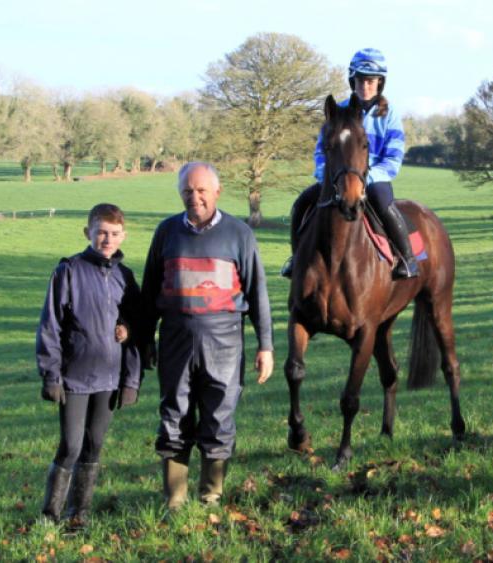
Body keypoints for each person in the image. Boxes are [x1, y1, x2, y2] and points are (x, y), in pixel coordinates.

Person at [141, 162, 274, 510]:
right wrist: (144, 339)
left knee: (218, 417)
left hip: (224, 343)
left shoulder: (239, 233)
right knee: (174, 415)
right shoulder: (166, 232)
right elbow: (150, 289)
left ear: (216, 192)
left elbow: (257, 292)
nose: (194, 197)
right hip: (174, 340)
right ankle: (175, 499)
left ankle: (210, 497)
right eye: (188, 191)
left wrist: (266, 345)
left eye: (201, 190)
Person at [36, 203, 142, 525]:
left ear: (123, 235)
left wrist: (131, 380)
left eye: (113, 233)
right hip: (75, 378)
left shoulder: (125, 277)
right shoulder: (68, 270)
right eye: (100, 233)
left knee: (94, 446)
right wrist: (51, 375)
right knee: (70, 445)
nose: (107, 239)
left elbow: (137, 327)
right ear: (88, 233)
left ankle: (78, 514)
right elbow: (50, 325)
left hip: (109, 380)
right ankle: (49, 515)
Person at [281, 47, 416, 280]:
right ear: (352, 80)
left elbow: (394, 157)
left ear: (380, 83)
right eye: (360, 80)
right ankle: (297, 260)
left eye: (371, 81)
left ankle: (407, 258)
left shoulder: (390, 114)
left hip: (374, 179)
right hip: (336, 178)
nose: (365, 86)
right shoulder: (338, 111)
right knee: (302, 203)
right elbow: (321, 150)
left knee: (384, 205)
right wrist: (324, 174)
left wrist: (368, 178)